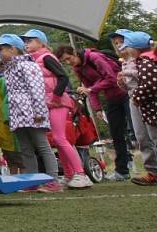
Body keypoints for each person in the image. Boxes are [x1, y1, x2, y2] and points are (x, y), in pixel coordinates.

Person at [21, 29, 93, 189]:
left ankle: (81, 174)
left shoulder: (46, 57)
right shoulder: (33, 60)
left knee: (60, 138)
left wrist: (56, 97)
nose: (27, 44)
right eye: (25, 41)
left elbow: (63, 76)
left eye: (30, 40)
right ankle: (68, 175)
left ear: (41, 42)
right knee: (57, 140)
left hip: (58, 103)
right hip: (47, 104)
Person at [0, 34, 62, 193]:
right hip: (19, 115)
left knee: (42, 146)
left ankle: (53, 181)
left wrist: (38, 112)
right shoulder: (10, 68)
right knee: (25, 149)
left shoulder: (28, 66)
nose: (0, 53)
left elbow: (36, 90)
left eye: (2, 49)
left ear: (12, 49)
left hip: (32, 114)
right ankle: (32, 180)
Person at [54, 43, 132, 181]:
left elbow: (111, 78)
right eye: (64, 61)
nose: (68, 62)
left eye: (68, 58)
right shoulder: (78, 68)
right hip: (112, 99)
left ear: (75, 53)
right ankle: (122, 171)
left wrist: (91, 89)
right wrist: (97, 108)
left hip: (126, 94)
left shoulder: (95, 57)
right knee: (116, 135)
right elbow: (88, 88)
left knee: (136, 132)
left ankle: (152, 167)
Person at [117, 31, 157, 185]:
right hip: (138, 100)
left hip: (148, 102)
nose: (122, 48)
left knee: (154, 136)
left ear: (134, 48)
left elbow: (150, 83)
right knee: (142, 136)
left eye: (126, 45)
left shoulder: (146, 61)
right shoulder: (132, 61)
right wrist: (122, 83)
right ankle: (152, 171)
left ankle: (153, 171)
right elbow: (130, 85)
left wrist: (137, 97)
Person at [0, 48, 24, 175]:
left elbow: (8, 101)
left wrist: (9, 117)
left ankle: (25, 177)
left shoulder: (4, 80)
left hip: (8, 122)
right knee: (7, 153)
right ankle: (13, 176)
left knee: (18, 152)